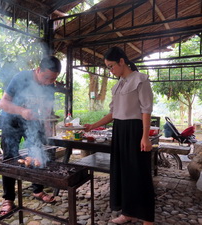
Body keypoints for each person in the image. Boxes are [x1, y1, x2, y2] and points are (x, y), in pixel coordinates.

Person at [84, 46, 155, 225]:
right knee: (122, 173)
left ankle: (147, 218)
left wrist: (145, 137)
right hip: (119, 130)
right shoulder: (117, 85)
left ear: (122, 61)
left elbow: (146, 110)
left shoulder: (141, 79)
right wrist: (93, 126)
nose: (110, 70)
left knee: (139, 173)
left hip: (135, 130)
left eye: (111, 66)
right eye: (108, 67)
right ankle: (128, 212)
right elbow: (113, 113)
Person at [0, 55, 62, 216]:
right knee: (10, 157)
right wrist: (22, 111)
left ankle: (38, 190)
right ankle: (8, 198)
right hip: (11, 120)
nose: (49, 82)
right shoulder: (21, 78)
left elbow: (47, 108)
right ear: (38, 70)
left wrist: (46, 125)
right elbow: (3, 103)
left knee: (37, 153)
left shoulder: (49, 84)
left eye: (53, 79)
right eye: (47, 77)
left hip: (32, 121)